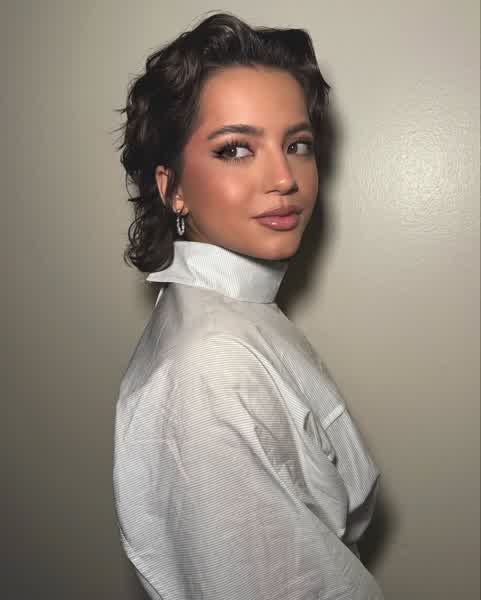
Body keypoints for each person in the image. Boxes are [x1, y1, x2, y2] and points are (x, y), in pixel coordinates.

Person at [113, 11, 384, 600]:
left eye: (297, 144)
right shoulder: (214, 364)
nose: (285, 178)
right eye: (236, 149)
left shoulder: (227, 310)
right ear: (171, 187)